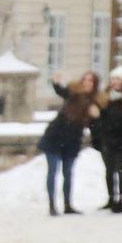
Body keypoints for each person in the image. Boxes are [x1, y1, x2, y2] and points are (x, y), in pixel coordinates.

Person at [41, 73, 98, 216]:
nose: (87, 83)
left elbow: (95, 124)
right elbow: (61, 91)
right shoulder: (73, 94)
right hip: (55, 136)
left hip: (72, 140)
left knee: (68, 172)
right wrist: (56, 82)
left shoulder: (94, 102)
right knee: (53, 171)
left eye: (91, 81)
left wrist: (96, 116)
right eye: (85, 79)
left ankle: (67, 204)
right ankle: (52, 204)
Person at [91, 66, 122, 212]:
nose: (114, 82)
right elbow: (97, 119)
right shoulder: (104, 97)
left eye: (117, 79)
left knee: (121, 169)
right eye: (112, 79)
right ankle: (111, 198)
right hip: (107, 140)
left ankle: (121, 199)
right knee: (109, 170)